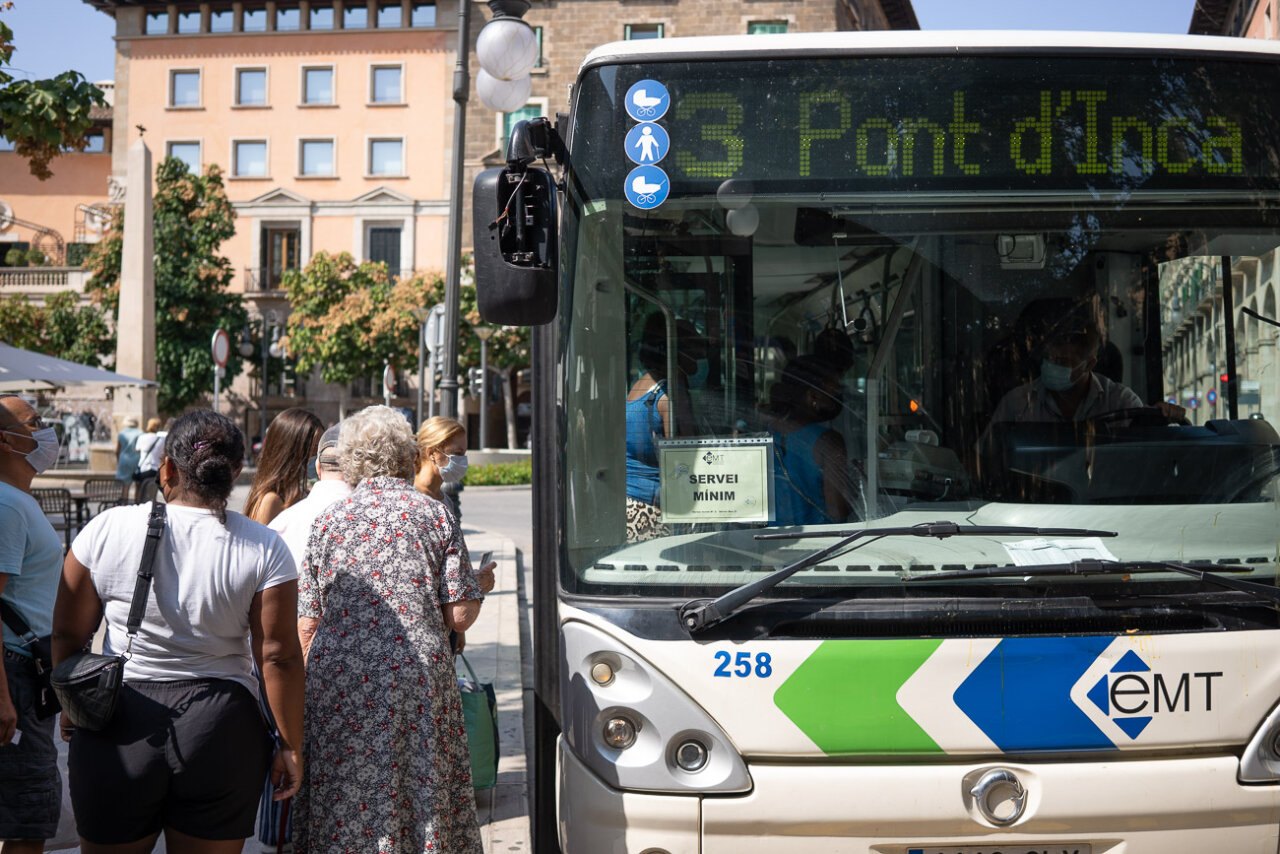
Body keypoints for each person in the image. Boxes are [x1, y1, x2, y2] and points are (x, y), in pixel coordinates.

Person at [52, 411, 305, 854]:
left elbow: (67, 635)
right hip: (222, 729)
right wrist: (290, 744)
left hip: (118, 722)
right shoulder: (265, 546)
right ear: (234, 473)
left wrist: (72, 706)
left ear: (167, 467)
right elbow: (278, 657)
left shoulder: (106, 529)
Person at [293, 406, 484, 854]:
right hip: (416, 677)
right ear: (407, 456)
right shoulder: (434, 515)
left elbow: (307, 623)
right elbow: (458, 615)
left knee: (346, 791)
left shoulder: (328, 521)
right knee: (422, 792)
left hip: (339, 680)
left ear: (353, 460)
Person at [0, 395, 64, 854]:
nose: (46, 431)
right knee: (27, 817)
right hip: (14, 674)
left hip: (24, 671)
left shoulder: (17, 500)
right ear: (7, 441)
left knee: (27, 811)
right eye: (34, 422)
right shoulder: (6, 505)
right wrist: (1, 696)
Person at [990, 317, 1186, 424]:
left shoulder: (1121, 402)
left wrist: (1161, 419)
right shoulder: (1016, 404)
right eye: (1048, 358)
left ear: (1089, 364)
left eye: (1062, 361)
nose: (1051, 365)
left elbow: (1143, 457)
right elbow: (983, 459)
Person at [413, 416, 498, 650]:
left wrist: (458, 627)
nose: (462, 461)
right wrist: (475, 587)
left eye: (465, 453)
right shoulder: (412, 498)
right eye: (457, 453)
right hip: (421, 628)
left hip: (444, 625)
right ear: (432, 452)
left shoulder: (445, 500)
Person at [625, 312, 707, 540]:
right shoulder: (672, 391)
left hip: (632, 502)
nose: (701, 359)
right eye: (694, 349)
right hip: (653, 509)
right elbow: (684, 456)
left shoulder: (641, 385)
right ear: (675, 351)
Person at [767, 356, 851, 525]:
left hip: (771, 542)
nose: (838, 396)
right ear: (813, 396)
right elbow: (837, 511)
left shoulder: (768, 432)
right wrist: (854, 488)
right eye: (833, 391)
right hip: (819, 544)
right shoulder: (829, 441)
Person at [243, 408, 324, 524]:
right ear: (290, 451)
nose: (318, 455)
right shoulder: (271, 500)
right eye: (314, 448)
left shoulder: (302, 492)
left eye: (320, 448)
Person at [132, 417, 165, 485]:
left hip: (144, 468)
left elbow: (137, 450)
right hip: (156, 468)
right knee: (152, 490)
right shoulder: (162, 439)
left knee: (140, 489)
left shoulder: (142, 437)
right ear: (159, 427)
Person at [114, 417, 142, 483]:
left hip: (124, 459)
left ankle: (125, 494)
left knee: (125, 485)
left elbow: (117, 450)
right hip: (137, 460)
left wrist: (118, 460)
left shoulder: (121, 434)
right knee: (138, 484)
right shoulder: (140, 433)